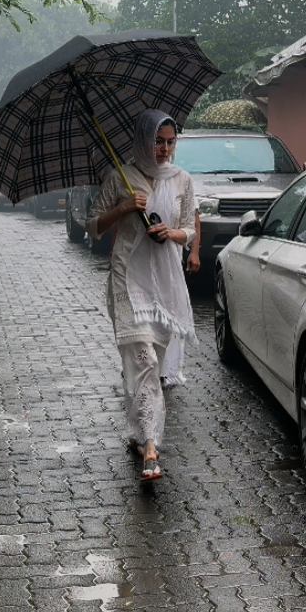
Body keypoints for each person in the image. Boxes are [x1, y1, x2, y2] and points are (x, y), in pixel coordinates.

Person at [87, 109, 197, 482]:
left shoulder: (182, 179)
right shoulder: (121, 177)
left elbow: (189, 229)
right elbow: (93, 228)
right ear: (142, 141)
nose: (164, 149)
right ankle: (151, 447)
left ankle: (138, 433)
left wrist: (173, 234)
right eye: (157, 142)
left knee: (152, 363)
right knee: (144, 359)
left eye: (170, 142)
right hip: (126, 280)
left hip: (164, 283)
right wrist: (121, 208)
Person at [161, 211, 200, 389]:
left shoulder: (182, 183)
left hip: (171, 262)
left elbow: (194, 220)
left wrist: (194, 252)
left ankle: (167, 368)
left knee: (170, 314)